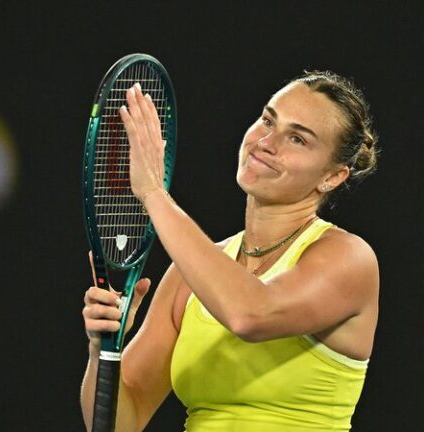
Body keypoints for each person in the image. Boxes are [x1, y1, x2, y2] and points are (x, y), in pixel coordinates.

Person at [81, 71, 380, 432]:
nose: (267, 142)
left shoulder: (349, 259)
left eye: (297, 139)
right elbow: (120, 426)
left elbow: (250, 315)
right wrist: (103, 350)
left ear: (332, 177)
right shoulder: (188, 278)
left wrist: (154, 194)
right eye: (268, 120)